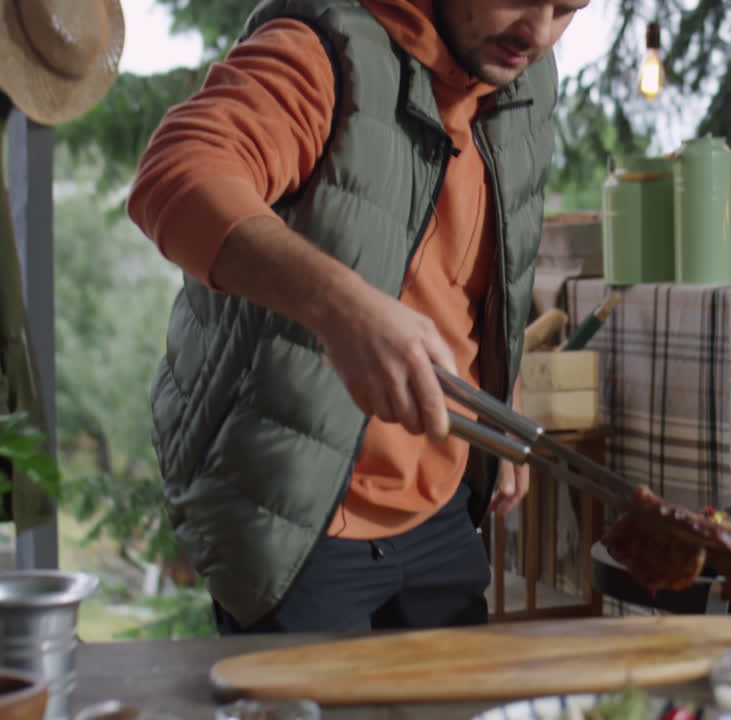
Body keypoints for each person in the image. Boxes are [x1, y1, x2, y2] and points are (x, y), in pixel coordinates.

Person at [127, 0, 587, 634]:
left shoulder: (522, 78)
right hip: (296, 521)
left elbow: (470, 279)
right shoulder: (322, 51)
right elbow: (176, 173)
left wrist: (495, 401)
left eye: (567, 9)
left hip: (441, 513)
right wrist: (340, 306)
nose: (537, 32)